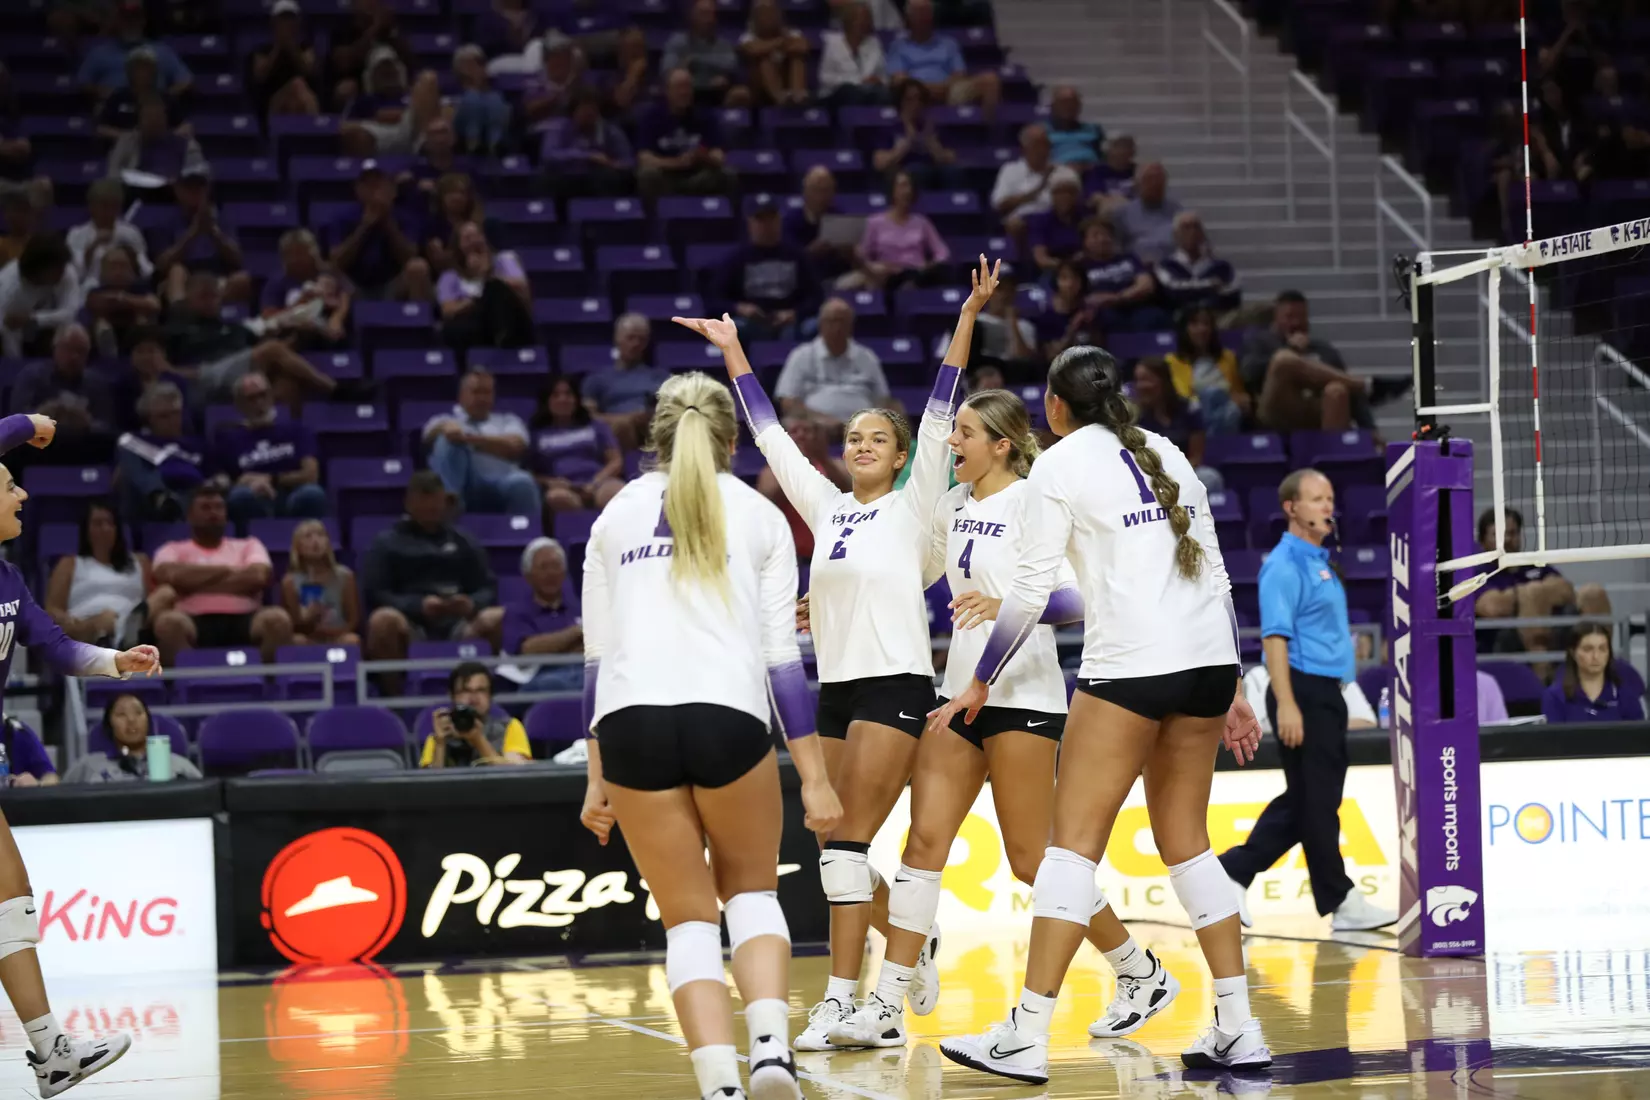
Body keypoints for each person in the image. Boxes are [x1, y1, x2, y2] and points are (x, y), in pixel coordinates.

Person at [929, 345, 1267, 1083]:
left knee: (1070, 850)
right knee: (1188, 844)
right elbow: (1216, 574)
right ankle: (1240, 1026)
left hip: (1133, 668)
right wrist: (1236, 683)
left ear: (1055, 406)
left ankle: (1025, 1034)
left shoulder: (1057, 465)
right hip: (1207, 663)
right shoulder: (1168, 452)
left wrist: (981, 679)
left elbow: (1026, 595)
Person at [672, 256, 981, 1052]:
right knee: (831, 844)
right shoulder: (828, 507)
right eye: (853, 437)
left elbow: (944, 404)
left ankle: (851, 1006)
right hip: (837, 690)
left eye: (879, 437)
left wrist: (969, 314)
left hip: (897, 685)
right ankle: (915, 945)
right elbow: (771, 436)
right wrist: (734, 350)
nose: (863, 444)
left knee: (844, 844)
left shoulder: (919, 504)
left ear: (904, 452)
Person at [831, 388, 1181, 1049]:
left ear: (1000, 444)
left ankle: (1140, 970)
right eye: (952, 431)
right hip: (956, 694)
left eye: (963, 433)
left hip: (1023, 696)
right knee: (921, 848)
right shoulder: (951, 504)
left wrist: (1008, 607)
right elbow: (901, 566)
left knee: (1031, 860)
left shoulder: (1035, 501)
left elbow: (1081, 597)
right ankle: (883, 1005)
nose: (952, 442)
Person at [578, 370, 841, 1100]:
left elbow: (596, 666)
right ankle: (770, 1057)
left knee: (688, 922)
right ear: (731, 440)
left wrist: (596, 777)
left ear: (653, 437)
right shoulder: (761, 514)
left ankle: (720, 1085)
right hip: (727, 716)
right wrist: (815, 778)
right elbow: (783, 664)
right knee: (752, 895)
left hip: (632, 728)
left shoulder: (612, 518)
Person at [0, 409, 158, 1094]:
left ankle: (53, 1055)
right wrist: (27, 421)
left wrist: (114, 663)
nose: (22, 494)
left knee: (12, 905)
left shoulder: (7, 582)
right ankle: (52, 1052)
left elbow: (57, 646)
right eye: (7, 484)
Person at [1217, 469, 1398, 934]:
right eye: (1316, 499)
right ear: (1291, 508)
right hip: (1303, 690)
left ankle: (1233, 873)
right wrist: (1288, 703)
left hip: (1326, 693)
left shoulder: (1319, 560)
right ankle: (1338, 898)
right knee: (1315, 801)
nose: (1327, 506)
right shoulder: (1284, 563)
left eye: (1330, 498)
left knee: (1311, 801)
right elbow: (1275, 637)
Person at [362, 471, 502, 683]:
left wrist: (471, 604)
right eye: (424, 505)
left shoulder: (464, 541)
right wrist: (418, 605)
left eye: (435, 505)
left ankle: (483, 694)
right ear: (409, 504)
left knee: (497, 618)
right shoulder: (387, 543)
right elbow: (376, 592)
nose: (431, 511)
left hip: (459, 624)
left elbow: (488, 587)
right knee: (382, 621)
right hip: (411, 624)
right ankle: (397, 703)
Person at [149, 485, 293, 666]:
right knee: (168, 623)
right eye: (206, 508)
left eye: (219, 507)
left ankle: (269, 687)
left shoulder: (248, 545)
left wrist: (191, 582)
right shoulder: (172, 549)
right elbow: (168, 576)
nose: (214, 513)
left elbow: (258, 577)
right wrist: (227, 571)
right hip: (191, 618)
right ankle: (187, 687)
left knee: (277, 620)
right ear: (190, 515)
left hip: (246, 617)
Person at [45, 498, 168, 650]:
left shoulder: (140, 561)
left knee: (166, 593)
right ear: (87, 530)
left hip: (136, 623)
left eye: (110, 523)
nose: (105, 528)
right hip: (88, 627)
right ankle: (119, 636)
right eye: (98, 523)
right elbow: (52, 609)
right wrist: (76, 622)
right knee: (106, 620)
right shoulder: (70, 563)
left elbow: (151, 602)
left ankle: (126, 633)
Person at [209, 372, 328, 528]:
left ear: (271, 396)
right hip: (254, 498)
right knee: (239, 497)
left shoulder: (297, 430)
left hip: (293, 495)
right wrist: (243, 481)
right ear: (240, 405)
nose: (259, 403)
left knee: (313, 494)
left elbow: (311, 474)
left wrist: (271, 479)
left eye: (263, 395)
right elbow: (222, 480)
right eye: (251, 399)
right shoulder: (229, 439)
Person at [422, 368, 541, 524]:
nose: (481, 398)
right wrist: (447, 429)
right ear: (462, 395)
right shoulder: (445, 419)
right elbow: (427, 438)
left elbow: (516, 446)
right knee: (446, 442)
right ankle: (449, 507)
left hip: (501, 484)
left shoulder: (508, 421)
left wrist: (470, 440)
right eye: (476, 392)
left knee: (523, 481)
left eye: (487, 392)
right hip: (464, 484)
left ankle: (526, 536)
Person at [775, 299, 892, 433]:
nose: (837, 327)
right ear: (820, 324)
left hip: (862, 429)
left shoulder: (867, 357)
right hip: (815, 426)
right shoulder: (801, 355)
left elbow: (882, 399)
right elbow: (788, 402)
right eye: (831, 321)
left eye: (841, 321)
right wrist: (821, 419)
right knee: (791, 423)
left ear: (851, 325)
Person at [530, 376, 625, 514]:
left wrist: (595, 482)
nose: (563, 399)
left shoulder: (596, 426)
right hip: (562, 487)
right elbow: (531, 473)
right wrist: (549, 482)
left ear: (576, 399)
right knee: (557, 498)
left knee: (615, 493)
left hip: (598, 481)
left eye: (568, 394)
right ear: (547, 401)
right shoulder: (536, 434)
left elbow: (616, 461)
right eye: (556, 395)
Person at [115, 380, 205, 520]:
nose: (172, 420)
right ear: (148, 419)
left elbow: (215, 475)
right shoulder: (135, 442)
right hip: (146, 505)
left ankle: (170, 503)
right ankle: (159, 496)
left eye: (176, 413)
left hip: (191, 498)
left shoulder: (197, 444)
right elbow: (133, 477)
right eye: (164, 416)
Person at [63, 693, 202, 784]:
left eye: (138, 712)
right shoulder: (87, 766)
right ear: (109, 725)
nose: (131, 720)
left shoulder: (179, 767)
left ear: (149, 721)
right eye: (121, 714)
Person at [1130, 358, 1222, 493]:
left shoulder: (1189, 408)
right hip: (1150, 477)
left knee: (1210, 477)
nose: (1141, 386)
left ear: (1164, 381)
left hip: (1186, 473)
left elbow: (1196, 456)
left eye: (1146, 380)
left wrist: (1175, 475)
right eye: (1138, 380)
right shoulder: (1135, 416)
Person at [849, 170, 951, 292]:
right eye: (902, 186)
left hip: (914, 276)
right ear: (892, 190)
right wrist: (874, 267)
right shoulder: (875, 222)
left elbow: (942, 253)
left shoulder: (922, 223)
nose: (907, 191)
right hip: (885, 276)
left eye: (910, 187)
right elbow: (864, 255)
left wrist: (927, 267)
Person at [504, 537, 583, 692]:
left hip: (580, 673)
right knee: (554, 685)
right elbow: (528, 651)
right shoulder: (516, 612)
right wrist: (575, 633)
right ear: (528, 575)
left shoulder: (579, 607)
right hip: (537, 680)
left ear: (564, 572)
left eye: (555, 566)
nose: (550, 573)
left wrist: (552, 645)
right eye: (543, 567)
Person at [421, 661, 531, 767]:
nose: (473, 699)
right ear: (452, 696)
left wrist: (478, 740)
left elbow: (515, 777)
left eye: (481, 690)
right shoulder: (439, 736)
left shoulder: (510, 727)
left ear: (490, 696)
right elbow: (431, 784)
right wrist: (440, 744)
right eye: (465, 691)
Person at [1165, 305, 1247, 435]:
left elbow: (1238, 393)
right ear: (1184, 329)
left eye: (1206, 324)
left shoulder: (1228, 357)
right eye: (1195, 324)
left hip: (1227, 413)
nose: (1202, 329)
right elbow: (1180, 397)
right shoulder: (1171, 361)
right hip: (1193, 415)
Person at [1541, 623, 1644, 723]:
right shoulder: (1555, 697)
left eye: (1602, 649)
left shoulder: (1626, 697)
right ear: (1573, 653)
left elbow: (1638, 738)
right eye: (1588, 649)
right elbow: (1553, 739)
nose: (1596, 656)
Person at [280, 520, 360, 646]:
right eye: (308, 537)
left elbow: (353, 620)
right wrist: (307, 619)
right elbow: (292, 625)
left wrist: (332, 633)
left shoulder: (345, 576)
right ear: (298, 547)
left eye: (320, 535)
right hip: (308, 636)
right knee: (297, 641)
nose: (315, 541)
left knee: (351, 640)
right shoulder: (289, 582)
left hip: (338, 635)